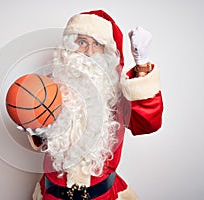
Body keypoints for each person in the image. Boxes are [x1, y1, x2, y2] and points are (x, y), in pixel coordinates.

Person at [22, 9, 163, 200]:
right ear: (69, 46)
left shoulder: (117, 93)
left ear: (107, 52)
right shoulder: (49, 88)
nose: (88, 52)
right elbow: (43, 138)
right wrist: (37, 129)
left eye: (97, 44)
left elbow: (148, 124)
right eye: (82, 42)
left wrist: (142, 65)